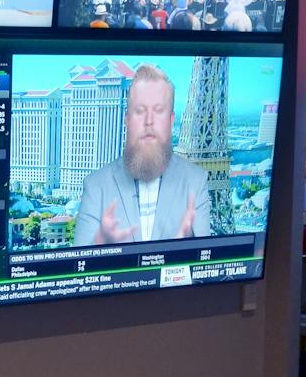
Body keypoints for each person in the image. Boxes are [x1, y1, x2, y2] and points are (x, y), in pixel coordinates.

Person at [73, 65, 210, 246]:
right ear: (127, 119)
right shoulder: (95, 185)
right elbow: (80, 258)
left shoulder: (196, 180)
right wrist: (101, 244)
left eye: (158, 110)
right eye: (139, 110)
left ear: (171, 121)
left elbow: (206, 255)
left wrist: (185, 249)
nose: (149, 121)